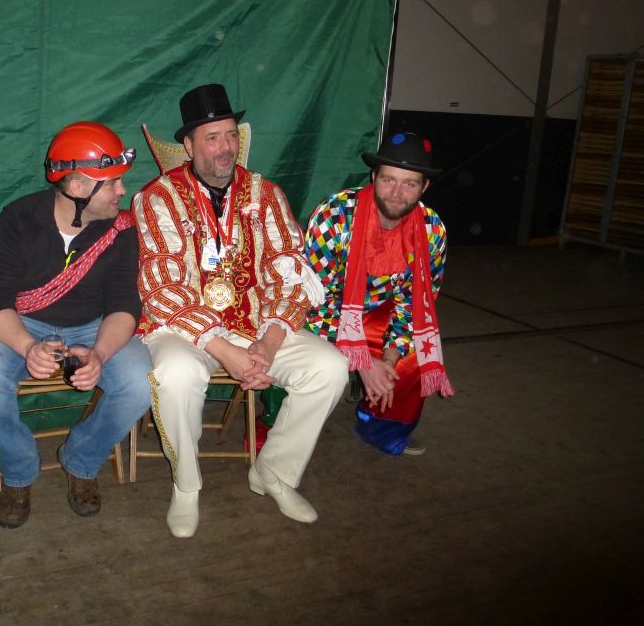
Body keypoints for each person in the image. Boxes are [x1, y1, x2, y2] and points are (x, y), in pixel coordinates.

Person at [133, 83, 348, 539]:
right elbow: (162, 288)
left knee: (329, 367)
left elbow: (291, 272)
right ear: (188, 146)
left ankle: (273, 473)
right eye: (212, 138)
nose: (225, 146)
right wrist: (225, 350)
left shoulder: (265, 193)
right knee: (175, 373)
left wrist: (267, 344)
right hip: (182, 328)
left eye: (231, 135)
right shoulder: (157, 197)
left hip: (256, 325)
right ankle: (186, 485)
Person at [0, 122, 152, 529]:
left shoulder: (121, 229)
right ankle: (17, 471)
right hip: (21, 322)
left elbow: (124, 304)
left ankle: (82, 461)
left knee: (140, 380)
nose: (122, 191)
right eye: (112, 183)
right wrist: (27, 346)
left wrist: (100, 354)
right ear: (78, 187)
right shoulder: (19, 218)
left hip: (94, 326)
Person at [303, 131, 452, 456]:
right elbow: (312, 302)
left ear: (424, 187)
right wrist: (362, 360)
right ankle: (278, 430)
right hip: (325, 315)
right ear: (373, 177)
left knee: (416, 353)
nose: (396, 193)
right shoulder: (334, 216)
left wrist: (390, 358)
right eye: (388, 180)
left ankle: (381, 428)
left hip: (378, 316)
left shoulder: (432, 230)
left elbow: (416, 305)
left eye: (409, 184)